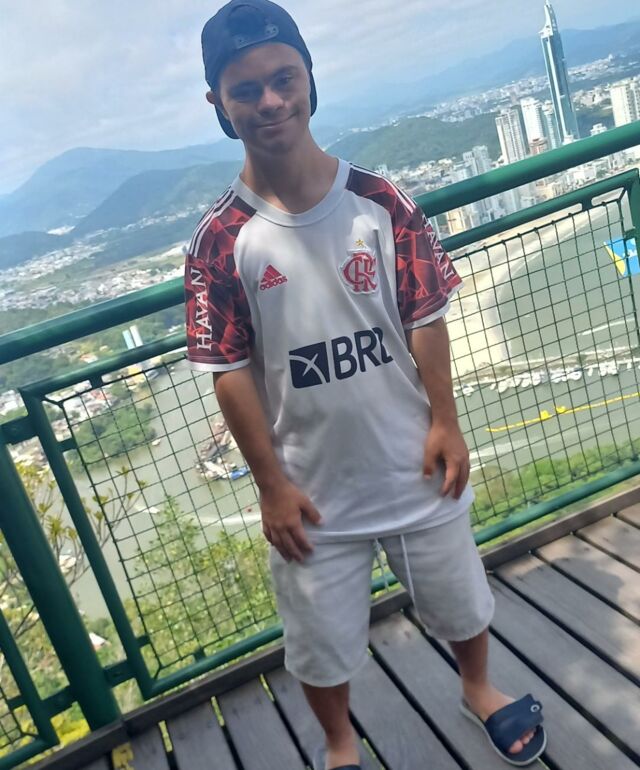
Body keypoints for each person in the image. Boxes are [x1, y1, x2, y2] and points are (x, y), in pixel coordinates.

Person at [184, 2, 546, 767]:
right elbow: (229, 373)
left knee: (460, 595)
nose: (270, 101)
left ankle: (479, 687)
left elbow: (426, 317)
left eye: (284, 79)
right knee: (318, 641)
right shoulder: (220, 241)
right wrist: (270, 486)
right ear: (218, 103)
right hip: (309, 492)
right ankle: (340, 743)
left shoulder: (381, 202)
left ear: (309, 78)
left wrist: (446, 421)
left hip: (412, 458)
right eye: (246, 89)